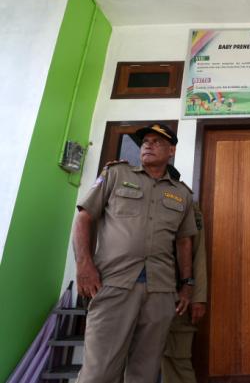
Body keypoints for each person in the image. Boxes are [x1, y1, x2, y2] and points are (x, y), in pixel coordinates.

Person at [73, 123, 198, 383]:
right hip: (113, 283)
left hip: (160, 289)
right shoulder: (116, 174)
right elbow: (84, 218)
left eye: (157, 141)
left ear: (172, 150)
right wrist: (84, 266)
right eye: (145, 142)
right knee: (99, 372)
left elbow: (184, 241)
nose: (148, 145)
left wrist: (187, 284)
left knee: (146, 371)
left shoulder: (181, 194)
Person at [162, 202, 207, 383]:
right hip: (132, 292)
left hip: (176, 296)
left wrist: (198, 297)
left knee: (176, 359)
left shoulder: (183, 200)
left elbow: (198, 252)